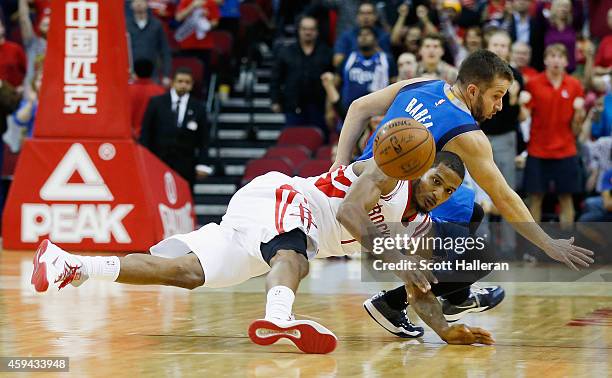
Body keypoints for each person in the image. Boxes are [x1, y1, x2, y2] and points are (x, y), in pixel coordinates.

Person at [30, 152, 496, 352]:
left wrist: (444, 331)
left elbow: (417, 293)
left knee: (184, 273)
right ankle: (280, 316)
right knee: (296, 253)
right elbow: (352, 215)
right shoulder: (389, 175)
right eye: (435, 179)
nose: (438, 191)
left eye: (448, 188)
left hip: (264, 224)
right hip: (287, 198)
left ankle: (71, 264)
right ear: (420, 171)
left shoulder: (418, 227)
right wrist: (390, 255)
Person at [331, 49, 594, 337]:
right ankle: (397, 301)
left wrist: (340, 166)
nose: (500, 105)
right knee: (480, 257)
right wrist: (546, 242)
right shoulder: (467, 134)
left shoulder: (421, 84)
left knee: (469, 208)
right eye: (496, 95)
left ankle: (456, 298)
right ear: (472, 90)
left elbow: (358, 107)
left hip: (359, 182)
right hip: (388, 208)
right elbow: (503, 195)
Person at [521, 44, 585, 227]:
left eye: (560, 56)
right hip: (538, 151)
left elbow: (576, 128)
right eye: (552, 55)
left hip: (566, 150)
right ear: (545, 60)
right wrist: (519, 103)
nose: (556, 60)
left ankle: (569, 249)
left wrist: (580, 113)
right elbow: (524, 117)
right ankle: (532, 251)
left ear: (566, 61)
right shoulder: (533, 84)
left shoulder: (574, 85)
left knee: (566, 199)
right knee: (535, 200)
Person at [139, 67, 208, 188]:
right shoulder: (156, 103)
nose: (183, 85)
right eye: (180, 81)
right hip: (158, 161)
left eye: (187, 82)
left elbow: (204, 139)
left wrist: (202, 164)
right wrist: (144, 159)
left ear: (191, 85)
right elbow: (146, 133)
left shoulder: (199, 108)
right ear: (173, 83)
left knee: (184, 198)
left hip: (186, 164)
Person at [270, 15, 333, 139]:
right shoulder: (286, 51)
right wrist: (275, 100)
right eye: (304, 29)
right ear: (299, 30)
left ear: (317, 31)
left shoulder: (327, 52)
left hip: (318, 106)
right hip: (293, 105)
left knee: (319, 139)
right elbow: (276, 78)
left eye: (311, 29)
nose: (308, 32)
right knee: (293, 139)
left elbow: (333, 79)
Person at [338, 27, 397, 118]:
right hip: (349, 113)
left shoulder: (387, 60)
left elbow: (394, 85)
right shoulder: (348, 59)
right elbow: (336, 82)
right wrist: (329, 109)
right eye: (360, 35)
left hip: (379, 114)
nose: (363, 37)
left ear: (376, 40)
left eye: (367, 34)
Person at [126, 0, 172, 87]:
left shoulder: (157, 25)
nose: (139, 4)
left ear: (147, 4)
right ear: (131, 5)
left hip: (153, 74)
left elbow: (165, 51)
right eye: (136, 1)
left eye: (142, 1)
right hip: (131, 74)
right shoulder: (126, 25)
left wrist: (166, 75)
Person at [333, 1, 391, 67]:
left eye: (369, 13)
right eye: (362, 13)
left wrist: (374, 48)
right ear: (357, 17)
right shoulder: (346, 36)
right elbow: (337, 62)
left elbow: (389, 62)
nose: (366, 17)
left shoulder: (383, 36)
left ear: (375, 16)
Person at [129, 59, 165, 139]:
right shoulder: (161, 91)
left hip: (131, 137)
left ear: (135, 72)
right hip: (153, 138)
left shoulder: (126, 91)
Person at [18, 0, 47, 87]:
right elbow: (24, 19)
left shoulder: (62, 45)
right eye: (45, 24)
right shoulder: (32, 42)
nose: (48, 23)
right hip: (32, 93)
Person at [0, 18, 26, 88]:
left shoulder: (15, 48)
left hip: (18, 94)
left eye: (0, 26)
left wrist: (24, 87)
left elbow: (29, 71)